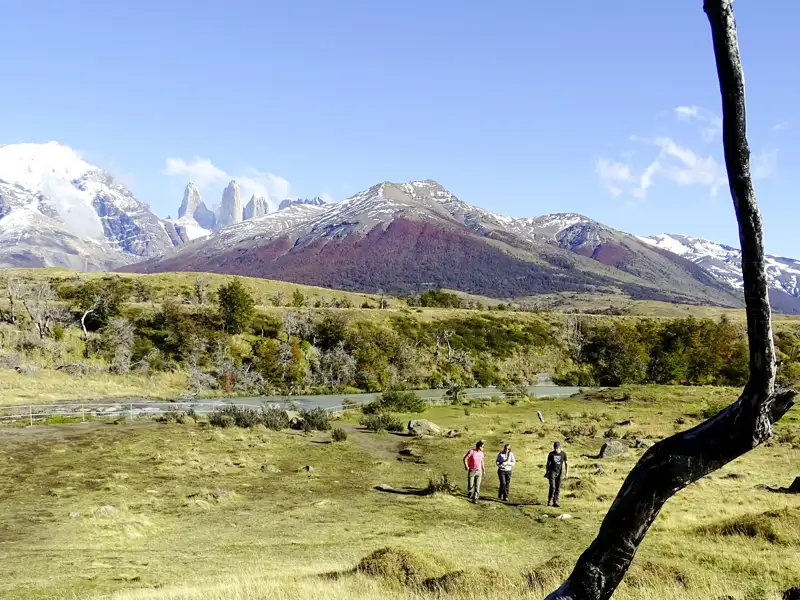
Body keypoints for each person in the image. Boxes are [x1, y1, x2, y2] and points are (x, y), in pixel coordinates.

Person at [545, 441, 568, 507]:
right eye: (554, 448)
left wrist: (566, 473)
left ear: (560, 447)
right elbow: (548, 464)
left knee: (558, 488)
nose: (555, 449)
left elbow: (566, 463)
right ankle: (550, 500)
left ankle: (556, 501)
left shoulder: (563, 454)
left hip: (560, 472)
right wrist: (547, 472)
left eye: (557, 448)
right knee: (552, 487)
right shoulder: (551, 454)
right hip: (552, 472)